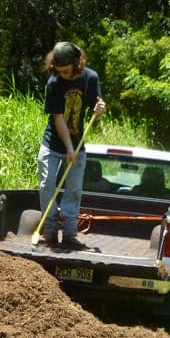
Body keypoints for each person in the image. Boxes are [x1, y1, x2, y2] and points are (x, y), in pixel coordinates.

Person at [37, 41, 106, 248]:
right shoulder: (54, 83)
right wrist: (68, 148)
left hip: (77, 144)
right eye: (59, 71)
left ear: (77, 63)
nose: (63, 75)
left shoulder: (90, 78)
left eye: (66, 71)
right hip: (52, 144)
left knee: (73, 190)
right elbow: (58, 119)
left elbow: (97, 105)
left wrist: (100, 108)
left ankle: (69, 234)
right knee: (47, 185)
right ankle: (49, 231)